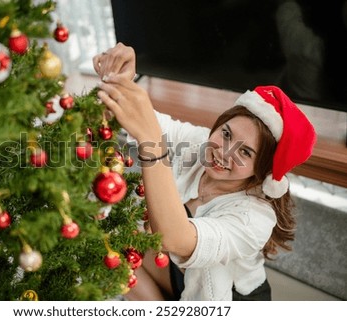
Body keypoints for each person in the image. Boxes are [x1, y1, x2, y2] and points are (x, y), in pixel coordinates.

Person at [92, 43, 317, 301]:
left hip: (225, 299)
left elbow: (175, 239)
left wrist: (152, 144)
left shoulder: (255, 218)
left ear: (263, 170)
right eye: (226, 133)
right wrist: (122, 80)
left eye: (245, 153)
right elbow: (150, 122)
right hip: (181, 273)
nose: (224, 152)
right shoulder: (204, 145)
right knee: (108, 240)